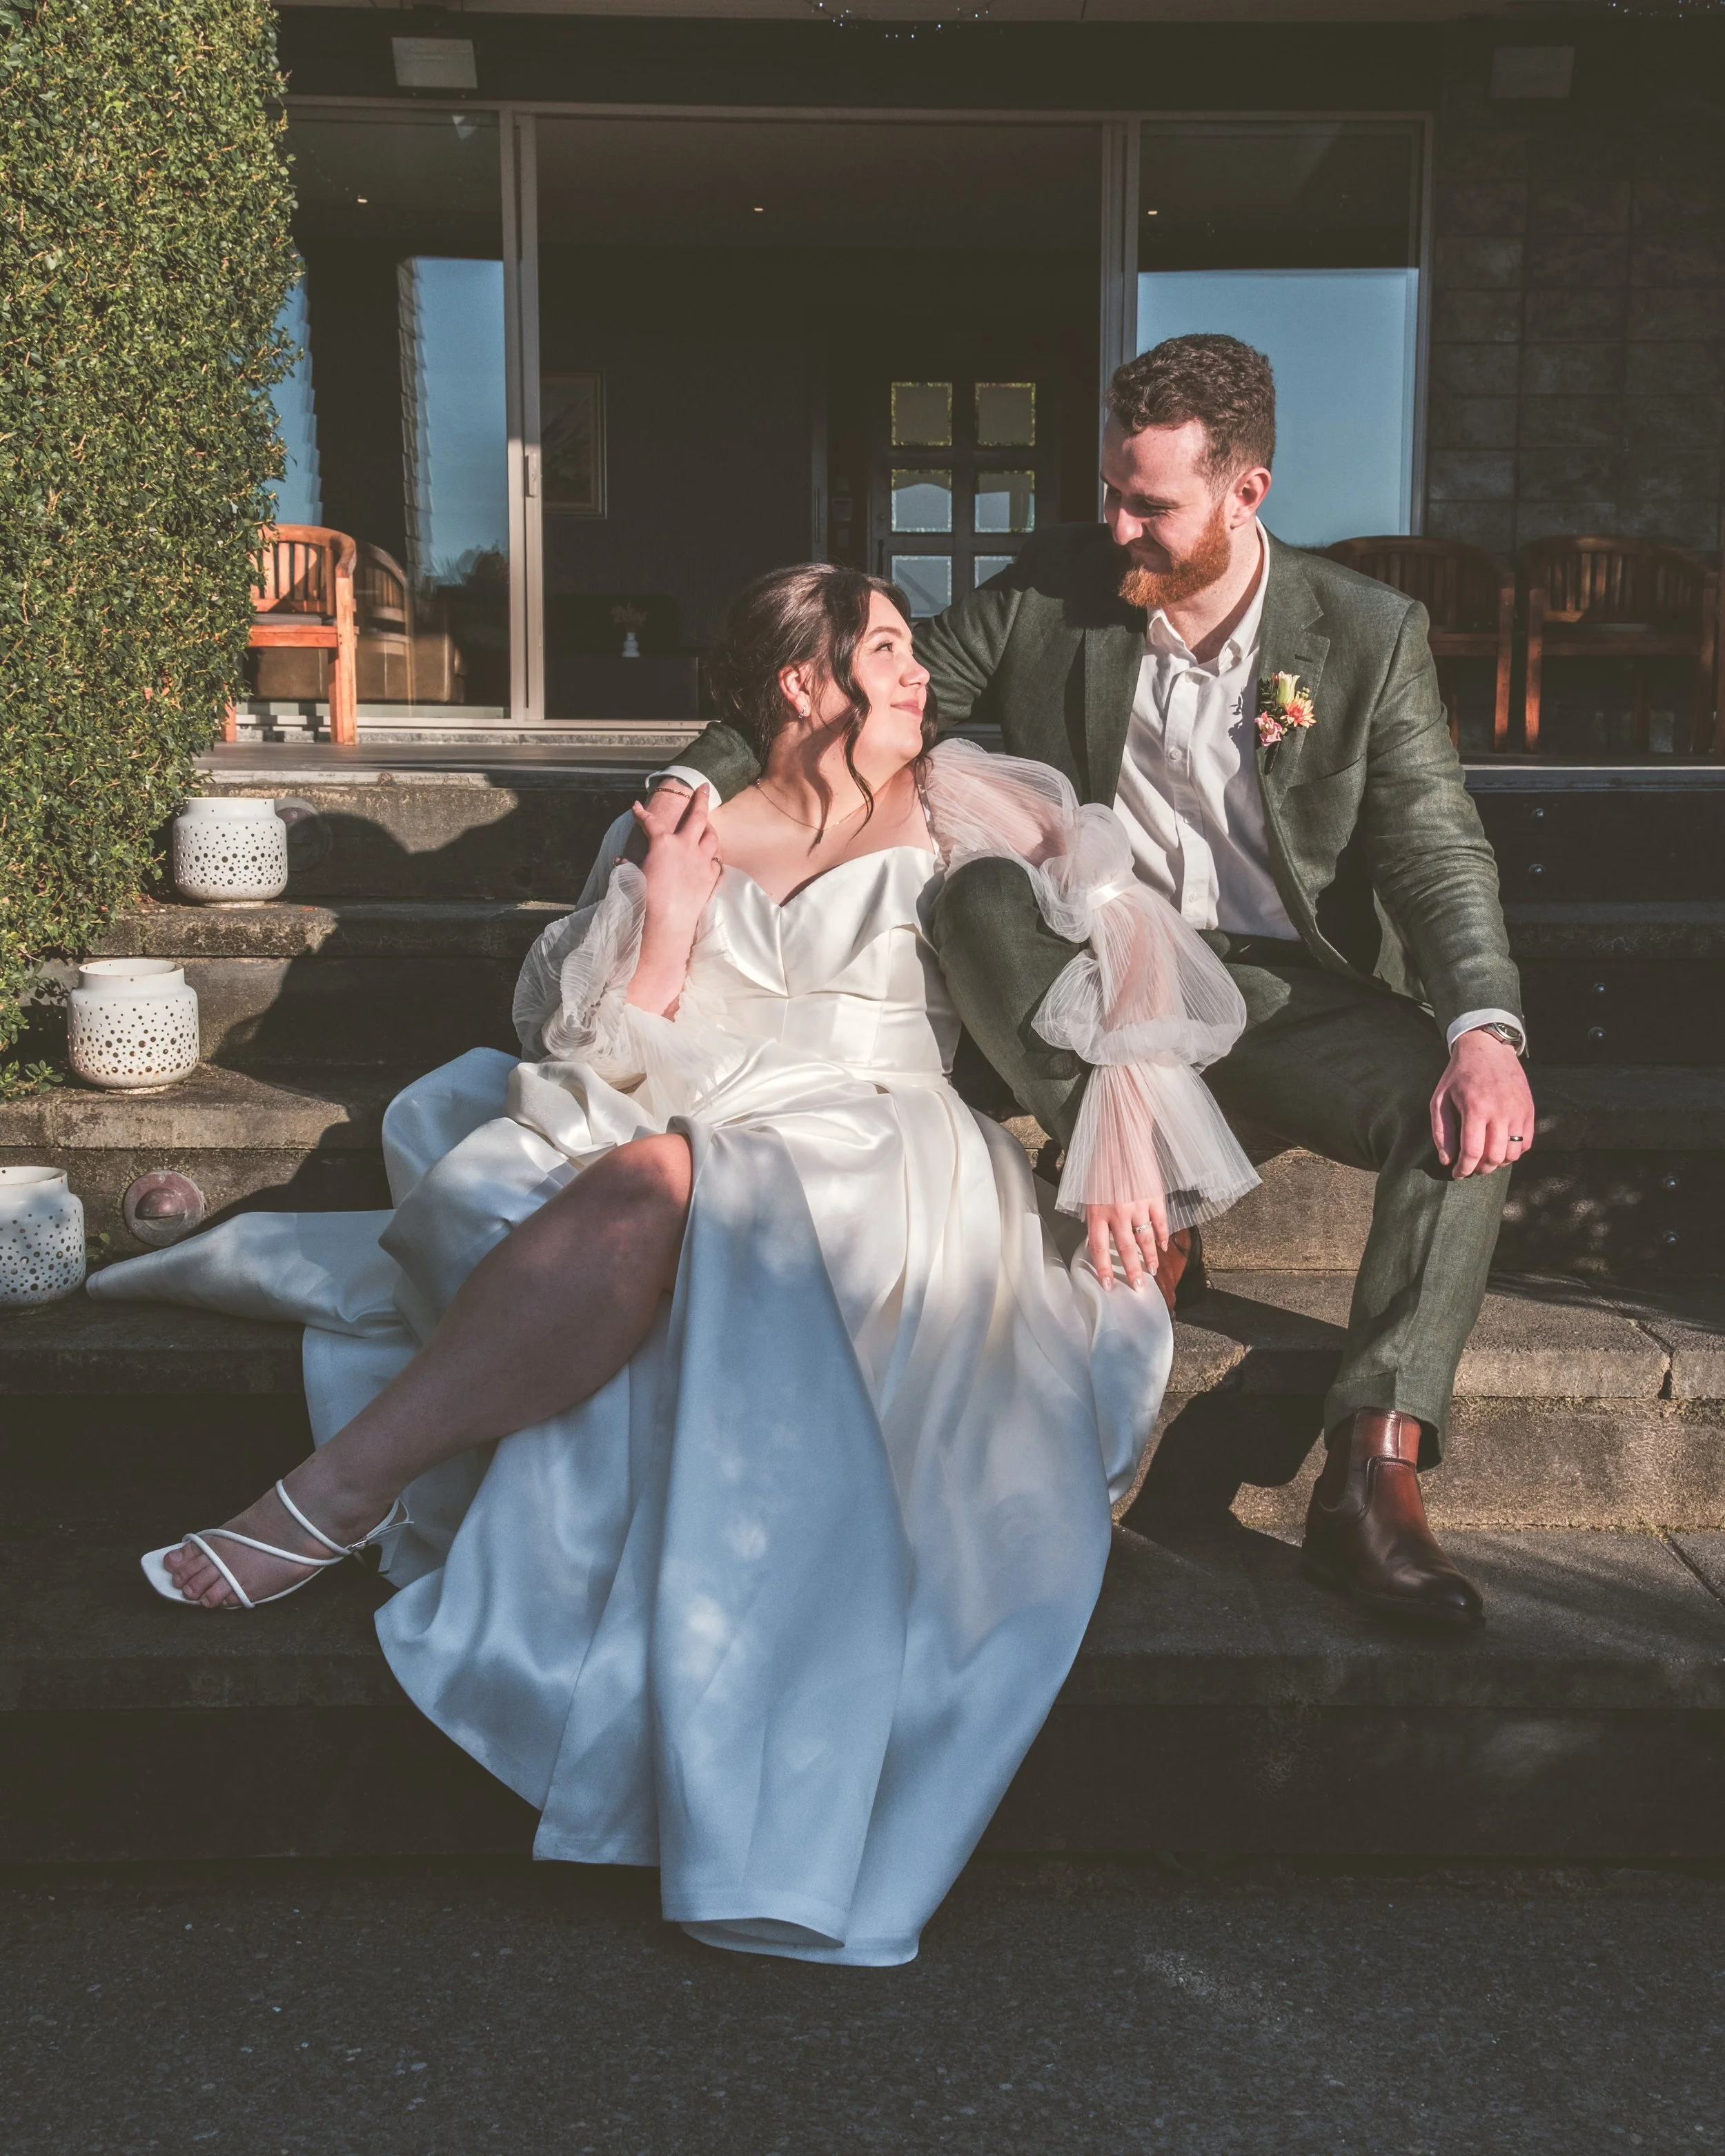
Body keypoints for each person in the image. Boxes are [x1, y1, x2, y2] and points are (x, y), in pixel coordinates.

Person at [101, 565, 1257, 1967]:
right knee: (572, 1166)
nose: (918, 678)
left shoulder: (968, 813)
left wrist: (1125, 1152)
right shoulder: (684, 823)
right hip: (688, 1102)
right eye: (887, 650)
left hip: (881, 1148)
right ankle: (373, 1480)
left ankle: (333, 1492)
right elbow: (592, 1046)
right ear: (801, 683)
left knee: (658, 1183)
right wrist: (662, 915)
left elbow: (1133, 947)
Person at [652, 335, 1535, 1631]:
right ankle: (1143, 1193)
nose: (1117, 522)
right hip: (1085, 971)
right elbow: (862, 686)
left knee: (1467, 1116)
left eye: (1153, 504)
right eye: (1113, 489)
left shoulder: (1364, 635)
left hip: (1278, 991)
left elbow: (1435, 847)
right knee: (979, 899)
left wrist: (1485, 1026)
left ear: (1248, 494)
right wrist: (696, 775)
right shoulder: (1064, 582)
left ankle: (1374, 1470)